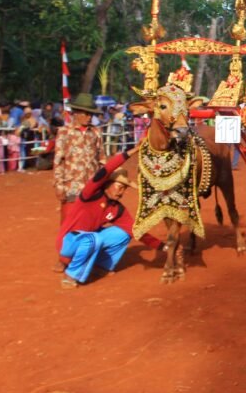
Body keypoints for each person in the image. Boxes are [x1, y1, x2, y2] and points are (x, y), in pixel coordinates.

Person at [57, 146, 165, 288]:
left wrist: (164, 246)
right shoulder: (91, 194)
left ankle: (101, 266)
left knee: (124, 234)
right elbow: (107, 169)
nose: (121, 192)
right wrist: (133, 151)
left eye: (124, 189)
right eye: (119, 186)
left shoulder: (116, 208)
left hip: (88, 241)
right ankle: (70, 276)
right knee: (93, 238)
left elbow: (135, 230)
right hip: (68, 243)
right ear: (108, 184)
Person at [53, 92, 106, 230]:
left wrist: (103, 183)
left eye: (91, 114)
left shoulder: (96, 132)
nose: (89, 117)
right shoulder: (64, 132)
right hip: (71, 185)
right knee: (69, 225)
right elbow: (58, 161)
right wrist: (59, 186)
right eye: (86, 113)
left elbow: (102, 159)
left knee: (92, 223)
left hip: (92, 185)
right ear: (75, 113)